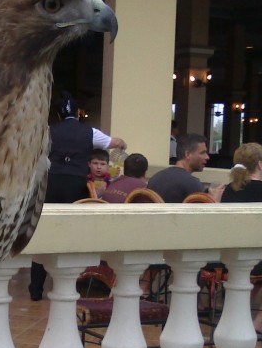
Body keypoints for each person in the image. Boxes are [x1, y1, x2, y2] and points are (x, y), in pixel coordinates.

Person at [28, 95, 126, 300]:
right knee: (70, 234)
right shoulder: (90, 132)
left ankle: (35, 289)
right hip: (76, 184)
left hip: (51, 183)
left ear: (57, 114)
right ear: (78, 113)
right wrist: (122, 145)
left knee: (44, 233)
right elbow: (114, 142)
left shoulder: (48, 131)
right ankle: (66, 285)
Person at [220, 142, 262, 332]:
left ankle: (240, 311)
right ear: (261, 165)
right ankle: (260, 318)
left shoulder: (228, 190)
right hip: (258, 258)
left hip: (229, 256)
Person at [147, 133, 209, 202]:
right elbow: (201, 212)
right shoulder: (192, 183)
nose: (207, 157)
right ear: (188, 154)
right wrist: (215, 201)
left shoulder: (154, 179)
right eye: (202, 153)